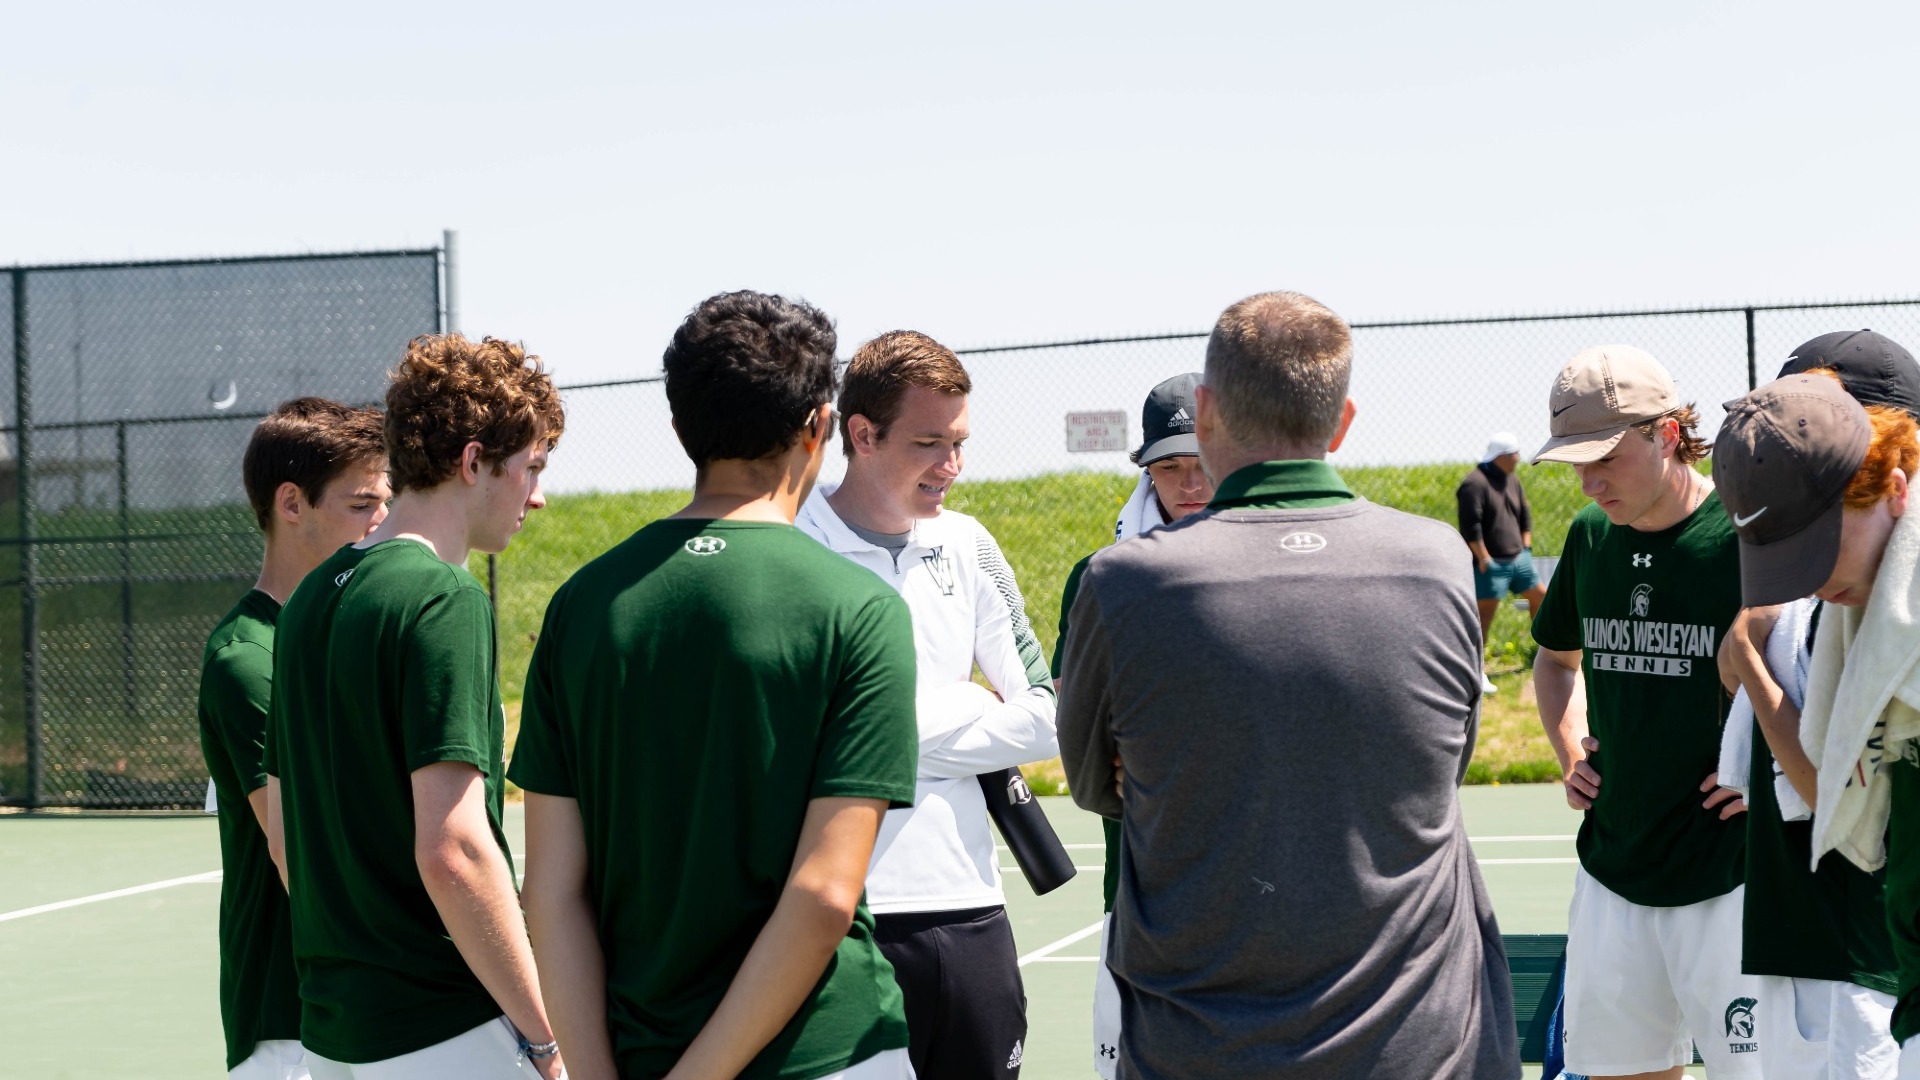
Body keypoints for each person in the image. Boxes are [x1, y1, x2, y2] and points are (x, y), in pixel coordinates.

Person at [1058, 291, 1517, 1079]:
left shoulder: (1123, 584)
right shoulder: (1436, 560)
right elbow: (1447, 759)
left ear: (1204, 414)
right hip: (1425, 1046)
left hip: (1198, 1045)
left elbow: (1096, 782)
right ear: (1341, 423)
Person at [511, 291, 919, 1080]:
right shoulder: (860, 610)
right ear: (820, 427)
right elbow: (826, 894)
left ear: (680, 430)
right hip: (823, 1054)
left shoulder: (582, 605)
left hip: (632, 1049)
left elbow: (552, 891)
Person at [262, 334, 565, 1079]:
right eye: (530, 468)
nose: (538, 494)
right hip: (445, 1029)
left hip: (336, 1032)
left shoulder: (309, 601)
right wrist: (547, 1037)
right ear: (472, 462)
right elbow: (454, 849)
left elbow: (283, 823)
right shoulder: (443, 597)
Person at [795, 329, 1058, 1079]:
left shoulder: (971, 543)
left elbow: (1048, 715)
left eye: (960, 442)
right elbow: (795, 733)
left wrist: (880, 733)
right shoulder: (793, 545)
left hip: (971, 910)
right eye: (929, 444)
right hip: (839, 915)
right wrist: (966, 711)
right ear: (862, 434)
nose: (952, 468)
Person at [1529, 343, 1757, 1080]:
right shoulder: (1591, 539)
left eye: (1606, 459)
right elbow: (1555, 660)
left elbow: (1814, 677)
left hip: (1729, 876)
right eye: (1575, 464)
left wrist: (1772, 773)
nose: (1590, 484)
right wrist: (1569, 756)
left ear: (1666, 434)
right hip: (1612, 875)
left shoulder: (1746, 539)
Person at [1713, 368, 1915, 1079]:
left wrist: (1753, 666)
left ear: (1895, 487)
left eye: (1818, 545)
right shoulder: (1854, 612)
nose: (1804, 578)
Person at [199, 399, 389, 1080]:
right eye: (362, 503)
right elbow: (297, 854)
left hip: (359, 1005)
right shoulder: (247, 658)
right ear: (291, 503)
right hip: (289, 1021)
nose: (382, 522)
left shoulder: (344, 635)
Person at [1051, 371, 1213, 1079]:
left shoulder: (1279, 564)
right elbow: (1079, 729)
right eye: (1168, 467)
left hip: (1258, 887)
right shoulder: (1102, 575)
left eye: (1202, 463)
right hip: (1139, 885)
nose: (1188, 483)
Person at [1457, 431, 1546, 694]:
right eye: (1515, 454)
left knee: (1541, 598)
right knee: (1483, 618)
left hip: (1519, 559)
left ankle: (1544, 654)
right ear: (1502, 457)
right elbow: (1470, 526)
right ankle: (1477, 672)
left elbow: (1525, 515)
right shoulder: (1474, 484)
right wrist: (1483, 558)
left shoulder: (1512, 480)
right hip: (1492, 564)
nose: (1518, 458)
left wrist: (1526, 548)